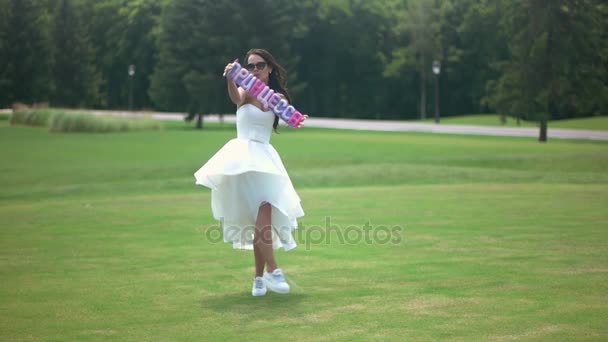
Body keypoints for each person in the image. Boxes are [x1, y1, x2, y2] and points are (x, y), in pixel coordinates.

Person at [194, 48, 307, 297]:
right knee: (258, 222)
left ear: (269, 68)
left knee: (263, 219)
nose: (254, 69)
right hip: (241, 161)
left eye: (259, 65)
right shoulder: (245, 91)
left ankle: (264, 275)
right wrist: (231, 79)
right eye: (250, 66)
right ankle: (268, 273)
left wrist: (295, 117)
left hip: (265, 161)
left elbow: (287, 113)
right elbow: (235, 98)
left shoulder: (276, 97)